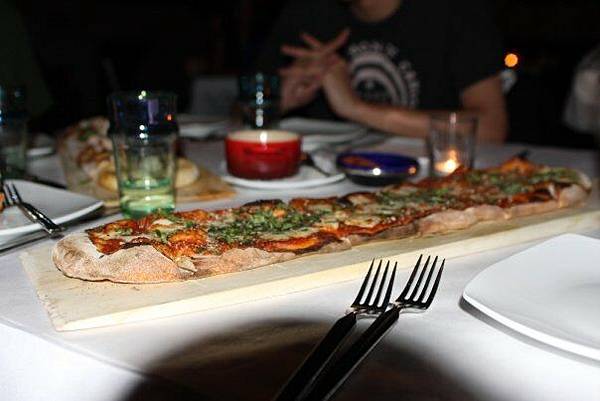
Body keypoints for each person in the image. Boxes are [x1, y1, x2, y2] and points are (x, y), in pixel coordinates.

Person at [257, 0, 508, 142]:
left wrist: (356, 108)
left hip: (435, 182)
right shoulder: (307, 13)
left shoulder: (456, 11)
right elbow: (242, 112)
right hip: (320, 182)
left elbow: (491, 129)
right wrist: (276, 102)